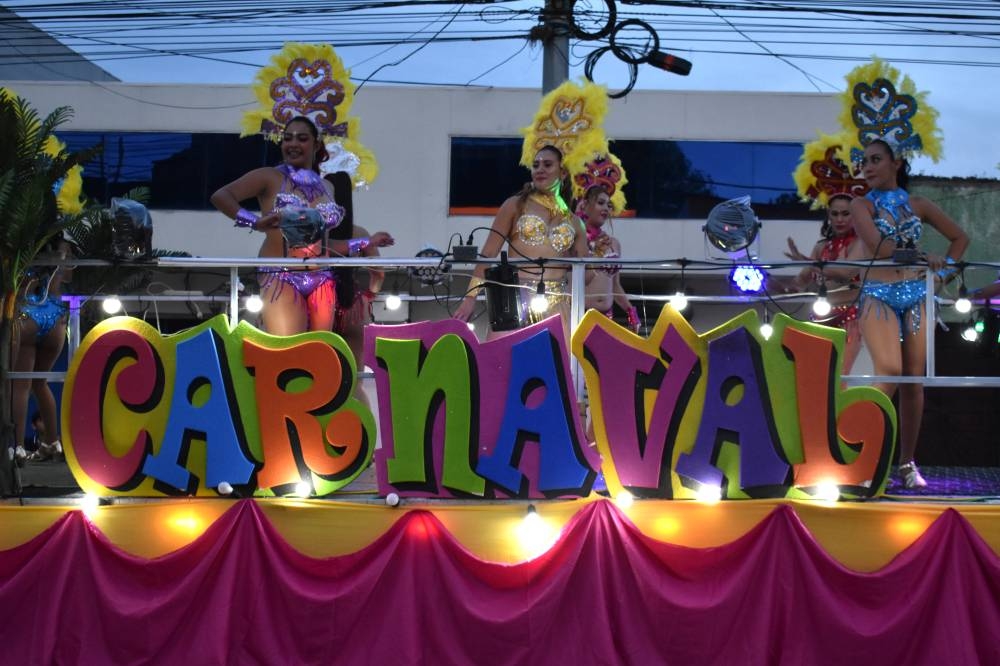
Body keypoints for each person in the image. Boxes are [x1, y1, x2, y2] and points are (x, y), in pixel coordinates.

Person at [850, 138, 968, 488]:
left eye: (875, 160)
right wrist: (923, 255)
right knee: (889, 370)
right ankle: (860, 456)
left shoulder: (920, 204)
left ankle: (906, 463)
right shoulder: (860, 205)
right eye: (863, 161)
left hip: (918, 294)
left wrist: (942, 273)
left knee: (914, 380)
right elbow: (879, 247)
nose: (867, 167)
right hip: (878, 295)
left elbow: (960, 239)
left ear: (896, 162)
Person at [210, 116, 393, 336]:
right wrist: (255, 222)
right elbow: (221, 196)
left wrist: (366, 242)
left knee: (319, 350)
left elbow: (325, 245)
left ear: (316, 145)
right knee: (289, 352)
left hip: (323, 277)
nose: (293, 144)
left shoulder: (327, 187)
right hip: (281, 275)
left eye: (302, 138)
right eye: (287, 139)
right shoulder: (269, 176)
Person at [453, 145, 589, 336]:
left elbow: (585, 271)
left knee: (555, 364)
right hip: (514, 301)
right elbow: (489, 254)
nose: (540, 169)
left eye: (548, 165)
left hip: (557, 304)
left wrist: (601, 263)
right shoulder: (515, 205)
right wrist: (470, 297)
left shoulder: (575, 222)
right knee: (504, 364)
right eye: (535, 165)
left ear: (563, 172)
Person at [783, 193, 864, 374]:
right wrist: (771, 284)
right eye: (834, 214)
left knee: (839, 376)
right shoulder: (822, 247)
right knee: (816, 375)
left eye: (845, 213)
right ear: (828, 216)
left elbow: (845, 273)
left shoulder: (860, 244)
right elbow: (802, 281)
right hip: (821, 316)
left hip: (849, 317)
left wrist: (806, 261)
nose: (840, 219)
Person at [12, 238, 73, 466]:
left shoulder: (24, 233)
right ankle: (52, 441)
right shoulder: (64, 245)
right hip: (56, 315)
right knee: (40, 383)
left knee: (20, 385)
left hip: (28, 312)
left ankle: (17, 447)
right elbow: (68, 277)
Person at [326, 171, 384, 409]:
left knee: (321, 375)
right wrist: (370, 296)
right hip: (353, 306)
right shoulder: (359, 232)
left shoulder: (317, 232)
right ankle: (363, 436)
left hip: (321, 303)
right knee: (355, 380)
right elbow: (379, 272)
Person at [579, 185, 640, 332]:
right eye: (600, 203)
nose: (606, 208)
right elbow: (577, 282)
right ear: (585, 205)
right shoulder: (576, 240)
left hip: (607, 317)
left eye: (609, 205)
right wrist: (597, 254)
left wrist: (631, 312)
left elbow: (615, 286)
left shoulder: (613, 243)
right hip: (581, 315)